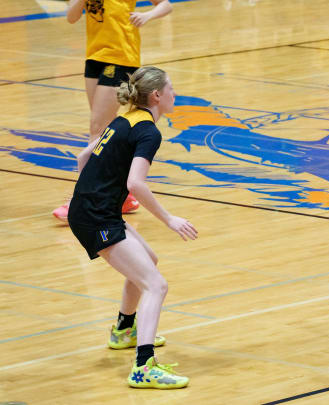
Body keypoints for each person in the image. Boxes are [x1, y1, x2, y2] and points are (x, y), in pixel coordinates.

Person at [68, 66, 197, 388]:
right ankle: (144, 366)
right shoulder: (147, 131)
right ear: (156, 95)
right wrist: (169, 219)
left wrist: (94, 193)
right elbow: (136, 184)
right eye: (171, 88)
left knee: (147, 264)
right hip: (97, 216)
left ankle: (124, 329)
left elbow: (84, 157)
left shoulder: (126, 118)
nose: (174, 94)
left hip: (97, 210)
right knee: (156, 285)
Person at [54, 0, 173, 222]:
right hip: (94, 57)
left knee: (97, 127)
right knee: (104, 128)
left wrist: (148, 15)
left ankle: (83, 201)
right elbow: (71, 16)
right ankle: (122, 196)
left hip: (121, 57)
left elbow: (166, 4)